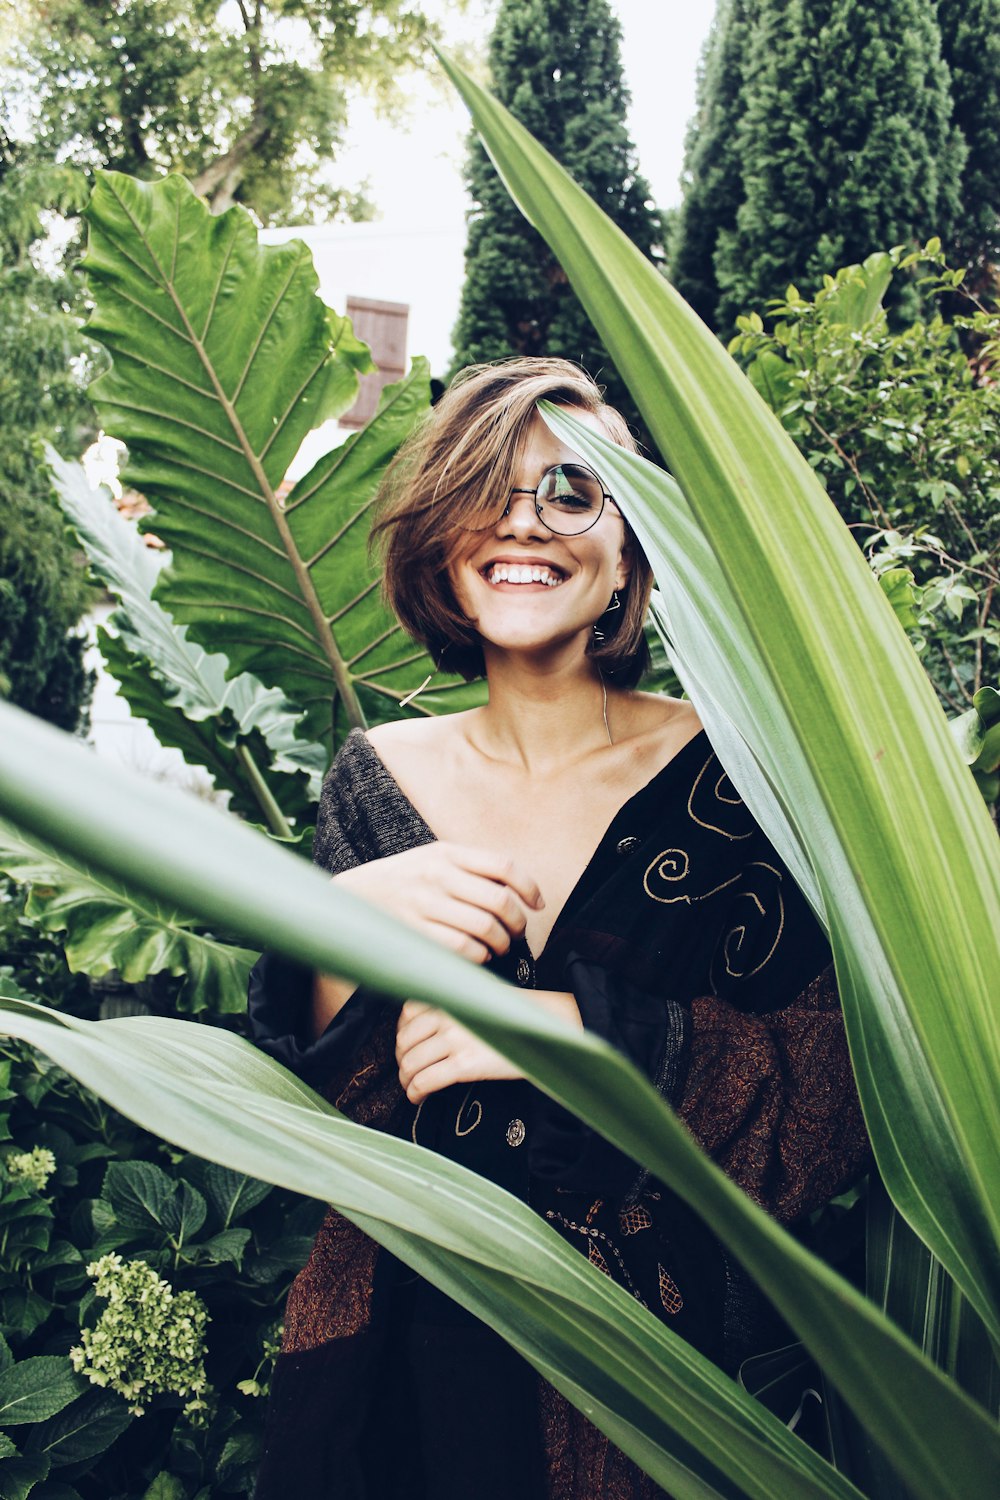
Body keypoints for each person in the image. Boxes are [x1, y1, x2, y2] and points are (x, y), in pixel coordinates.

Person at [247, 357, 869, 1499]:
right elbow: (325, 1120)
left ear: (634, 544)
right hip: (398, 1365)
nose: (523, 521)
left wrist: (582, 1042)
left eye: (573, 490)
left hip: (650, 1382)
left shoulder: (740, 782)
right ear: (440, 537)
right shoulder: (374, 779)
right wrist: (337, 934)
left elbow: (835, 1107)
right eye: (488, 485)